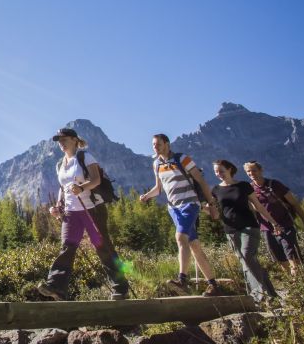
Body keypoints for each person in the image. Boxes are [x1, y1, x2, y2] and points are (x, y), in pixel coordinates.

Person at [36, 128, 130, 301]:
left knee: (102, 247)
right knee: (67, 246)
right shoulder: (60, 164)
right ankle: (56, 287)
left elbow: (96, 179)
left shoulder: (84, 157)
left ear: (74, 140)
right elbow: (63, 187)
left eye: (64, 140)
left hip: (92, 209)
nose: (61, 143)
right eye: (59, 140)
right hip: (72, 211)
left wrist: (81, 188)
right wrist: (58, 206)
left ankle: (121, 287)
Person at [141, 134, 223, 296]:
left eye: (158, 144)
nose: (155, 147)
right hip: (173, 208)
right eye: (153, 145)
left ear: (167, 144)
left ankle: (182, 280)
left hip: (190, 204)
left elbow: (200, 181)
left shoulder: (182, 159)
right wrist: (146, 196)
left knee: (180, 237)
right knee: (194, 246)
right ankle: (213, 285)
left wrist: (211, 204)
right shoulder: (156, 164)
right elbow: (158, 189)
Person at [211, 159, 281, 304]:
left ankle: (258, 295)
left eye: (221, 171)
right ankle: (271, 295)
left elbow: (258, 206)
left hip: (249, 226)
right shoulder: (216, 190)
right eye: (216, 172)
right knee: (247, 261)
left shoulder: (243, 186)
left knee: (247, 255)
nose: (219, 174)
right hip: (230, 230)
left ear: (230, 169)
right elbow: (215, 214)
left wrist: (273, 222)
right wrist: (204, 207)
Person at [244, 161, 304, 278]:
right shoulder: (250, 189)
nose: (251, 173)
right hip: (266, 228)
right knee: (278, 256)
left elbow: (294, 203)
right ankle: (291, 281)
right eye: (248, 171)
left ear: (260, 170)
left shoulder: (274, 184)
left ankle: (300, 279)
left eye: (254, 170)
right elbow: (254, 210)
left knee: (291, 252)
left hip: (285, 224)